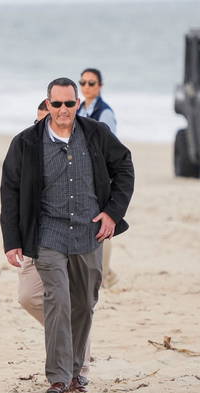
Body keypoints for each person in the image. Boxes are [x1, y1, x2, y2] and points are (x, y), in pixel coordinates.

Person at [1, 78, 134, 393]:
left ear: (78, 103)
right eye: (56, 104)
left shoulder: (96, 134)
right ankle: (59, 376)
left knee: (84, 303)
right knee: (57, 300)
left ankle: (77, 372)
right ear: (47, 105)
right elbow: (11, 191)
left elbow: (125, 166)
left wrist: (113, 212)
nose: (63, 110)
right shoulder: (26, 143)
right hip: (49, 233)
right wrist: (12, 239)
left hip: (89, 232)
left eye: (69, 103)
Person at [17, 99, 92, 382]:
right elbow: (12, 191)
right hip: (34, 235)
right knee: (28, 296)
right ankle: (69, 340)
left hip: (72, 234)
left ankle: (76, 364)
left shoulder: (77, 145)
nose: (40, 125)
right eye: (37, 121)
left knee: (73, 302)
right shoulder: (28, 146)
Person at [77, 68, 118, 288]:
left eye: (91, 83)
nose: (86, 87)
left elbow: (108, 147)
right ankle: (100, 271)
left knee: (103, 222)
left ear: (100, 86)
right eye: (83, 82)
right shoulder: (78, 109)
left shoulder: (105, 113)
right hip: (81, 175)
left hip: (99, 176)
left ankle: (105, 273)